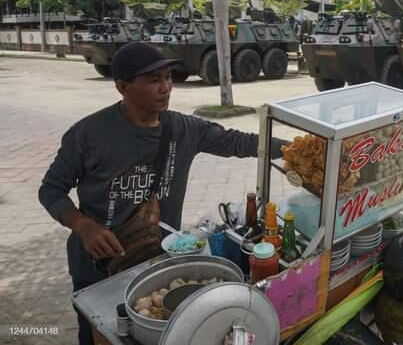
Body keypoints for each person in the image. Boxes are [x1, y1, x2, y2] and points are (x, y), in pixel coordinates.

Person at [38, 42, 285, 345]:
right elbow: (51, 189)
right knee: (97, 334)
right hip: (97, 266)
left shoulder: (183, 129)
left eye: (168, 77)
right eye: (154, 80)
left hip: (154, 262)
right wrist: (84, 226)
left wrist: (294, 145)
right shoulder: (88, 134)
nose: (166, 88)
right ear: (122, 87)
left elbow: (237, 142)